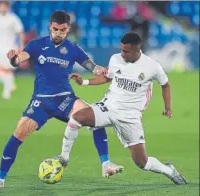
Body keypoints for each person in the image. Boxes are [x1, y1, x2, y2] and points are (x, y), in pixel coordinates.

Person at [0, 10, 123, 189]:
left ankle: (106, 164)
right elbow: (19, 59)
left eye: (63, 30)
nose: (58, 33)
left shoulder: (73, 49)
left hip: (65, 98)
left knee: (94, 118)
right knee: (18, 135)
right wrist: (13, 59)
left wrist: (102, 70)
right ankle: (0, 180)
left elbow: (92, 67)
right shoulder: (36, 44)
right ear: (50, 27)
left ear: (68, 29)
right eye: (56, 29)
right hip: (41, 101)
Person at [57, 32, 187, 185]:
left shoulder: (152, 66)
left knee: (142, 162)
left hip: (130, 116)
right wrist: (84, 82)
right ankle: (64, 158)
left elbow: (165, 85)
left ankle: (169, 170)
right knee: (77, 118)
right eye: (121, 50)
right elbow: (107, 77)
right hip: (109, 106)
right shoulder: (115, 59)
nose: (122, 54)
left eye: (126, 51)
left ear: (137, 50)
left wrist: (168, 107)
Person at [0, 1, 25, 100]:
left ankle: (6, 91)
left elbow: (20, 32)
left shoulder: (13, 18)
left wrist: (21, 45)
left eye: (3, 6)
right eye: (0, 6)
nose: (1, 8)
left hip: (10, 48)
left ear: (7, 7)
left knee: (7, 70)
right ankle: (10, 85)